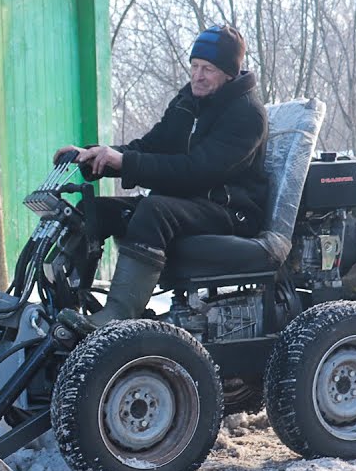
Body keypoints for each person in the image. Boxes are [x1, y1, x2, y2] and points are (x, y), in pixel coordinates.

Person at [55, 23, 269, 329]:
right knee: (98, 210)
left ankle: (118, 316)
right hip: (191, 202)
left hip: (231, 210)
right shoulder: (190, 101)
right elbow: (151, 146)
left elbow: (196, 171)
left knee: (154, 211)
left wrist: (127, 162)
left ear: (229, 72)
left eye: (208, 68)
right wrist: (96, 155)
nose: (197, 75)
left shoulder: (247, 114)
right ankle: (66, 304)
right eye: (194, 66)